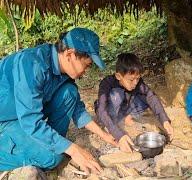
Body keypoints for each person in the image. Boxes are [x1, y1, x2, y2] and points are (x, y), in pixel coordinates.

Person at [0, 27, 117, 174]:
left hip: (22, 115)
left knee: (69, 92)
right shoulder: (32, 65)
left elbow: (77, 109)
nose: (86, 72)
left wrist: (105, 136)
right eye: (87, 65)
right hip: (7, 120)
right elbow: (31, 121)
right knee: (52, 157)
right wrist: (73, 150)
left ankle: (48, 142)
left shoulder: (62, 67)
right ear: (70, 54)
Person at [95, 53, 174, 152]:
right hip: (110, 110)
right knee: (116, 95)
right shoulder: (107, 84)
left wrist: (164, 120)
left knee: (147, 96)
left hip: (126, 106)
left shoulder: (137, 82)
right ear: (119, 76)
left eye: (138, 78)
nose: (135, 82)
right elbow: (102, 110)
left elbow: (151, 96)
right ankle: (112, 124)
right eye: (131, 79)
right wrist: (118, 135)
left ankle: (127, 117)